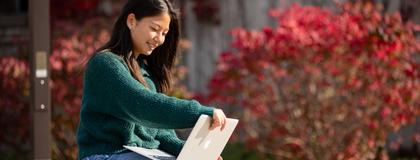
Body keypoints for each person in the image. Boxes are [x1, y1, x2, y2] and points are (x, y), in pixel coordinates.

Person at [76, 0, 226, 160]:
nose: (160, 39)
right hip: (106, 155)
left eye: (164, 33)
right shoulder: (106, 63)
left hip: (142, 155)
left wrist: (195, 154)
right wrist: (200, 113)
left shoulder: (146, 73)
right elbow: (143, 105)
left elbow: (161, 134)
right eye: (155, 29)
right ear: (131, 21)